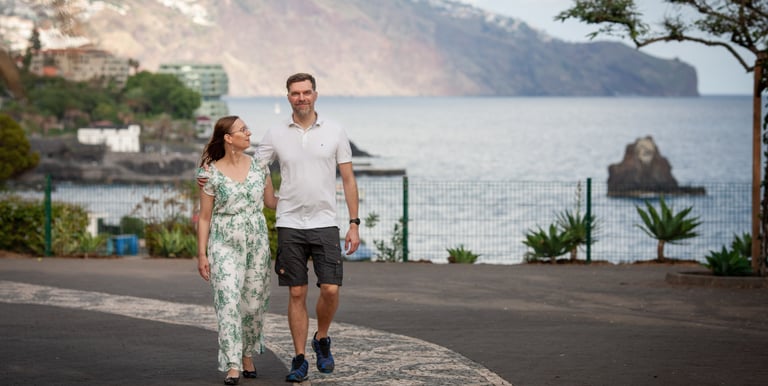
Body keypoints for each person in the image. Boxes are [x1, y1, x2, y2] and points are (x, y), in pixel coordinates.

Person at [258, 72, 360, 382]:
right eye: (295, 93)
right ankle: (300, 358)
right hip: (289, 223)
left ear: (315, 94)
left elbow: (348, 179)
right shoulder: (275, 133)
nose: (301, 97)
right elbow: (256, 166)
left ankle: (322, 338)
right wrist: (269, 198)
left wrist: (354, 224)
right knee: (297, 293)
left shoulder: (335, 130)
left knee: (330, 288)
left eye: (306, 92)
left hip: (325, 223)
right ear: (287, 97)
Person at [196, 115, 277, 386]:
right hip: (223, 243)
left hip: (256, 243)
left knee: (253, 305)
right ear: (228, 138)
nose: (249, 133)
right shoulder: (210, 173)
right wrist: (202, 254)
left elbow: (271, 203)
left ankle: (247, 352)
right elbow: (205, 217)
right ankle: (232, 363)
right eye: (243, 130)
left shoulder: (259, 168)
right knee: (228, 301)